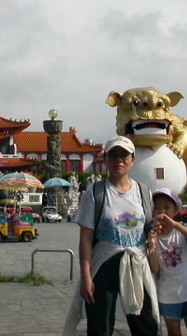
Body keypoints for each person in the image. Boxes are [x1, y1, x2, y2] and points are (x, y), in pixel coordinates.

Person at [64, 135, 158, 336]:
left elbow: (150, 229)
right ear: (105, 160)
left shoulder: (144, 192)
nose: (119, 160)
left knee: (144, 321)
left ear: (133, 160)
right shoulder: (95, 192)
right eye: (113, 155)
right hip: (105, 262)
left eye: (124, 155)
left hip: (136, 262)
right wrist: (86, 277)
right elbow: (86, 239)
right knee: (100, 322)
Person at [146, 188, 187, 336]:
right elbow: (155, 269)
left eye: (167, 207)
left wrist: (177, 225)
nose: (162, 212)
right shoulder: (153, 236)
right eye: (158, 208)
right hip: (168, 296)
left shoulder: (182, 231)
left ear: (175, 210)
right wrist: (151, 245)